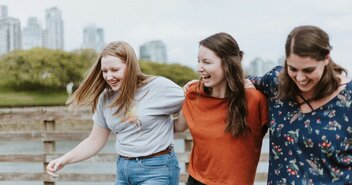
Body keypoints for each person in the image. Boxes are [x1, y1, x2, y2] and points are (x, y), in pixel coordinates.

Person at [46, 41, 184, 185]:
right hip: (123, 170)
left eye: (115, 69)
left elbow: (194, 104)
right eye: (105, 71)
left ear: (130, 67)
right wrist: (64, 160)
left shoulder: (157, 87)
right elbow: (94, 141)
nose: (108, 76)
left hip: (157, 169)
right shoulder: (105, 98)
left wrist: (177, 124)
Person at [249, 25, 352, 184]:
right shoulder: (276, 81)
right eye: (293, 68)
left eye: (308, 70)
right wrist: (197, 88)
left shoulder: (349, 99)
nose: (300, 78)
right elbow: (239, 83)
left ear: (326, 58)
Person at [174, 32, 268, 185]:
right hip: (196, 181)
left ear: (228, 64)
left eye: (207, 62)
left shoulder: (255, 100)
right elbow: (177, 126)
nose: (199, 68)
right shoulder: (193, 93)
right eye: (198, 61)